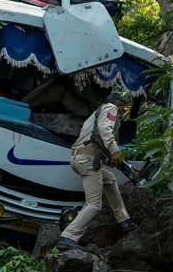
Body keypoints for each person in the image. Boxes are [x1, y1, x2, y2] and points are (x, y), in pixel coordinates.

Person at [58, 93, 139, 251]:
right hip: (87, 160)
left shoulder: (95, 115)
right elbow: (105, 130)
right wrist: (115, 152)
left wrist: (110, 160)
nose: (121, 115)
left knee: (109, 180)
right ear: (119, 106)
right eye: (123, 111)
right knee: (94, 205)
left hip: (80, 157)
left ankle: (124, 221)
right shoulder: (110, 108)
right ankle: (68, 237)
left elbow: (94, 140)